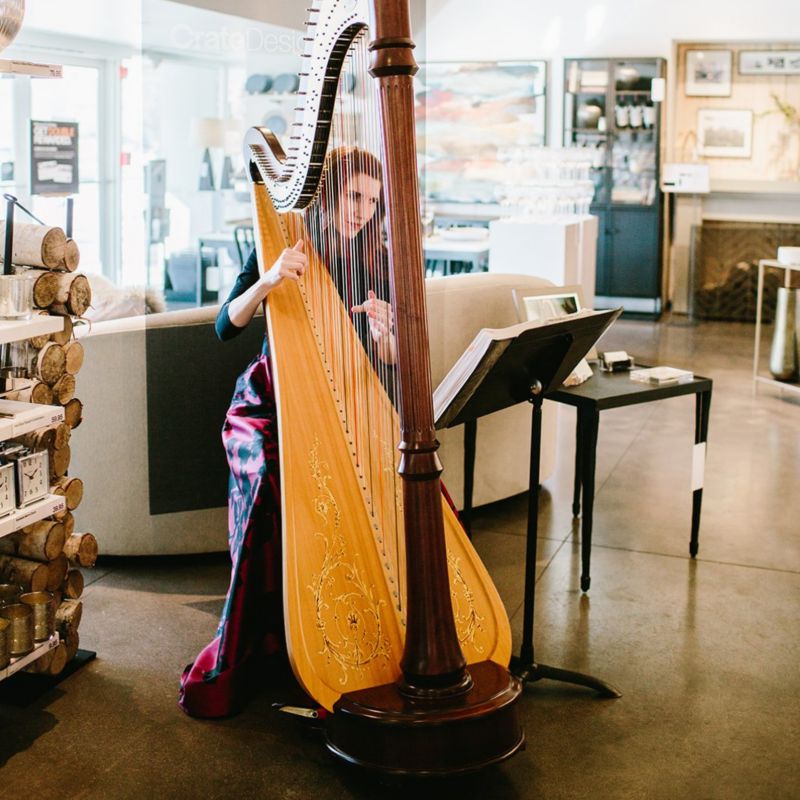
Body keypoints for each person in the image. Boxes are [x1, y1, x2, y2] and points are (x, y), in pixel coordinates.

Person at [179, 147, 394, 718]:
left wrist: (387, 331)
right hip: (268, 400)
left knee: (404, 484)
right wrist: (270, 279)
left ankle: (370, 622)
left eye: (372, 203)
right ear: (327, 193)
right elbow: (226, 325)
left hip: (346, 399)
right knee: (274, 477)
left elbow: (389, 358)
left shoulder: (374, 256)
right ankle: (272, 638)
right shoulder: (278, 241)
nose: (362, 211)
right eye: (354, 197)